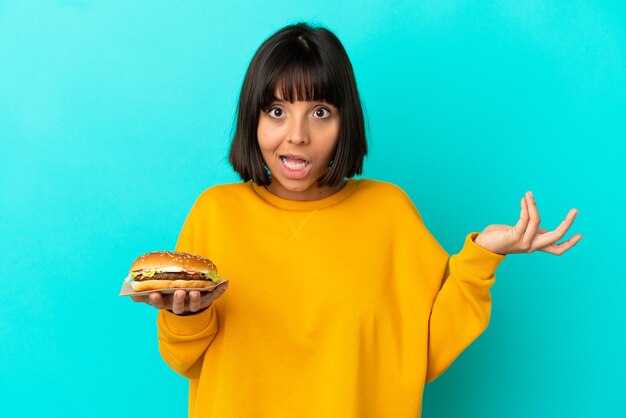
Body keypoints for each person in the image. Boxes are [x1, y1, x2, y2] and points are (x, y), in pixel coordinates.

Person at [131, 22, 581, 418]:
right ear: (253, 119)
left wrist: (483, 255)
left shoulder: (387, 212)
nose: (298, 135)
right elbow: (185, 360)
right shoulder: (216, 212)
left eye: (320, 112)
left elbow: (423, 351)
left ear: (347, 123)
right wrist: (187, 317)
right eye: (276, 111)